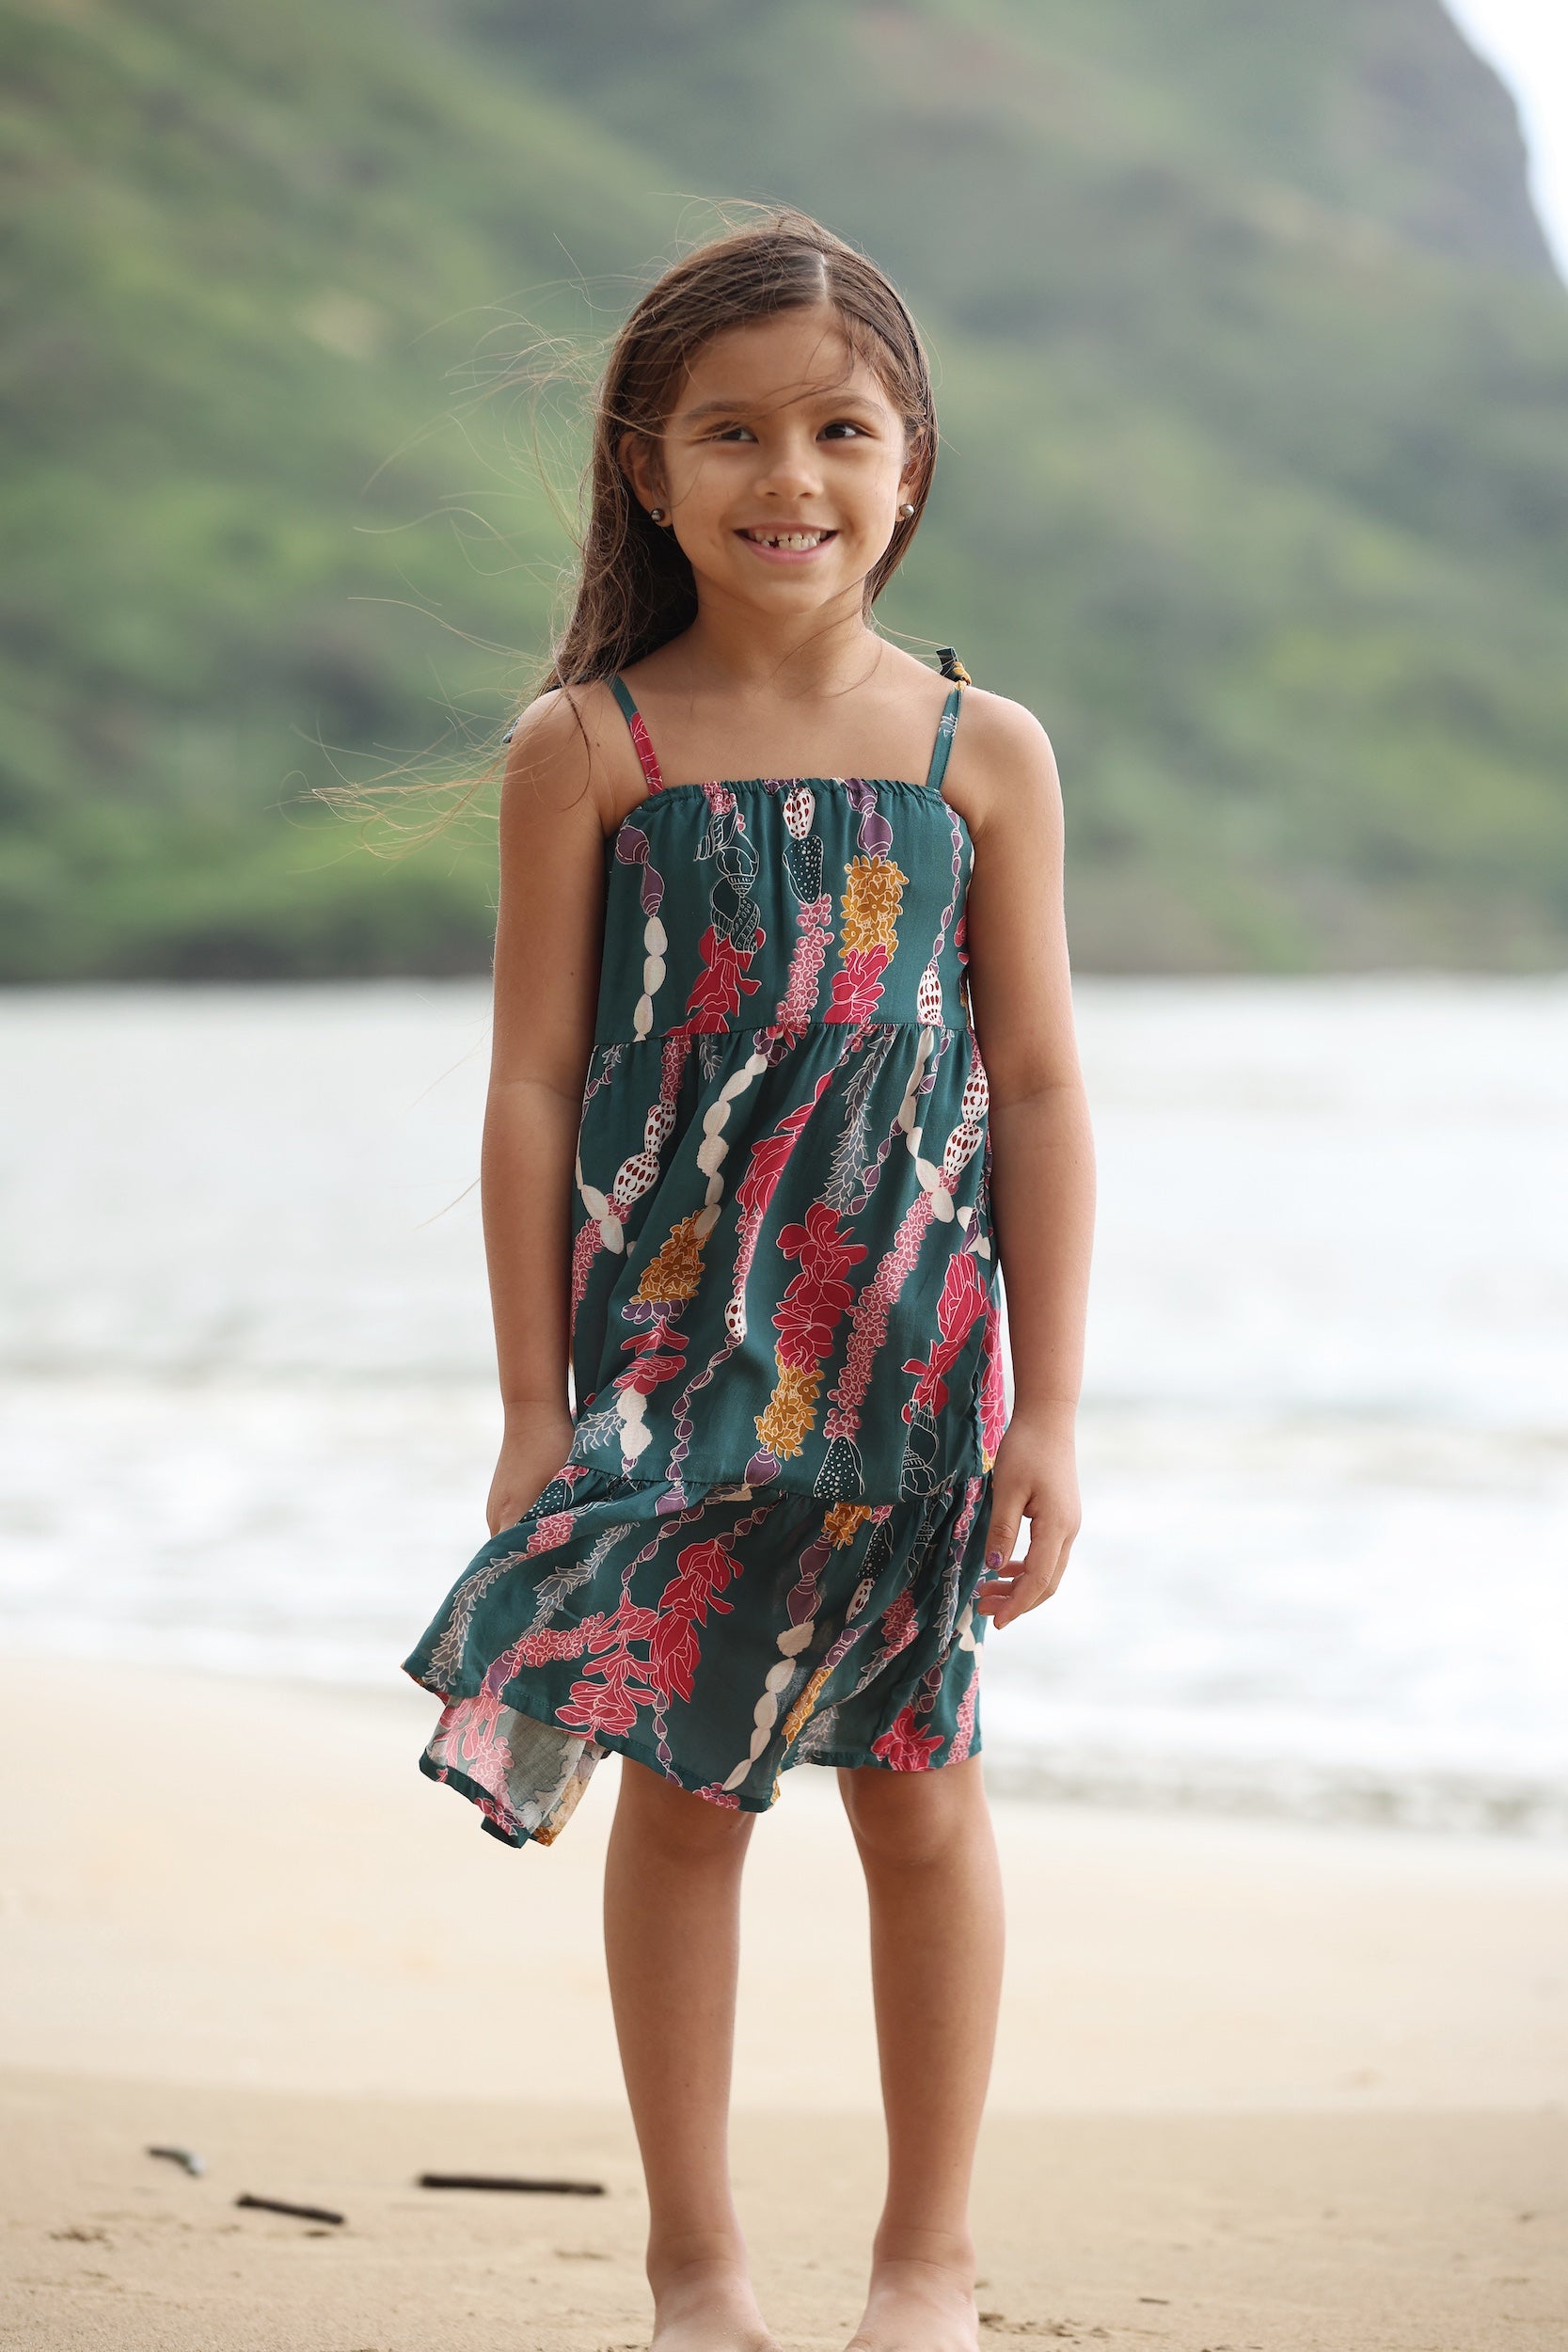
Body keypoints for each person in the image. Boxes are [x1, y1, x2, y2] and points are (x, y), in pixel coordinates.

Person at [403, 209, 1095, 2352]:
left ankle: (928, 2263)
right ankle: (696, 2270)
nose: (787, 472)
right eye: (731, 431)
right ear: (647, 466)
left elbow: (1046, 1088)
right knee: (686, 1800)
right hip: (678, 1362)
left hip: (912, 1364)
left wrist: (1052, 1410)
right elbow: (529, 1090)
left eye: (838, 428)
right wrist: (533, 1400)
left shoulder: (982, 751)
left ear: (909, 464)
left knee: (922, 1793)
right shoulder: (589, 748)